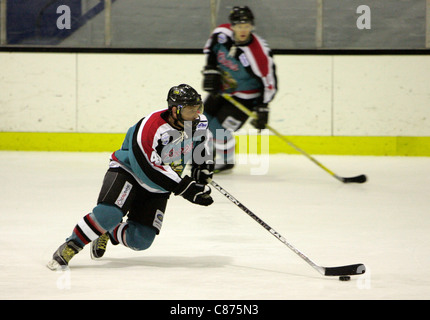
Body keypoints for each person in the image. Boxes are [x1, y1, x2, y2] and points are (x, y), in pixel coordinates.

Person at [47, 84, 214, 270]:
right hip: (130, 172)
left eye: (198, 108)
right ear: (175, 110)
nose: (197, 114)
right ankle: (72, 245)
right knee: (108, 214)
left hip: (159, 184)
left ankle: (108, 231)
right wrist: (185, 187)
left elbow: (201, 146)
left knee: (140, 240)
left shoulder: (199, 122)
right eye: (191, 110)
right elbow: (147, 167)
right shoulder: (151, 127)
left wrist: (203, 169)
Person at [202, 6, 277, 173]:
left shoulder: (258, 53)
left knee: (218, 130)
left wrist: (263, 107)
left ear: (252, 26)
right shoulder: (221, 34)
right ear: (232, 26)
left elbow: (270, 83)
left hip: (246, 98)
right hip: (222, 90)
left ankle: (227, 161)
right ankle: (208, 154)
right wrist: (211, 70)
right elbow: (211, 52)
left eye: (247, 26)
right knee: (202, 121)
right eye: (239, 26)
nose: (243, 30)